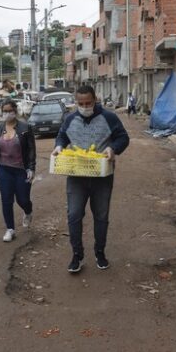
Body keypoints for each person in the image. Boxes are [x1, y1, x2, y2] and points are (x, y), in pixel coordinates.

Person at [53, 85, 130, 273]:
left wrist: (113, 149)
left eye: (88, 103)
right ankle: (77, 255)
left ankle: (100, 252)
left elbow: (123, 138)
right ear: (76, 102)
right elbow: (62, 135)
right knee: (73, 215)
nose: (85, 106)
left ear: (95, 100)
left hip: (102, 175)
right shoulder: (70, 118)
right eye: (81, 103)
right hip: (76, 174)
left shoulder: (109, 117)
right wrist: (59, 146)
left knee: (101, 216)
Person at [0, 99, 36, 242]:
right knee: (7, 200)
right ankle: (10, 229)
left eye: (10, 111)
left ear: (15, 111)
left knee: (23, 199)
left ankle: (28, 211)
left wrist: (31, 168)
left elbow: (31, 150)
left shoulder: (25, 128)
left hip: (21, 169)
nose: (8, 113)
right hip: (3, 169)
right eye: (5, 111)